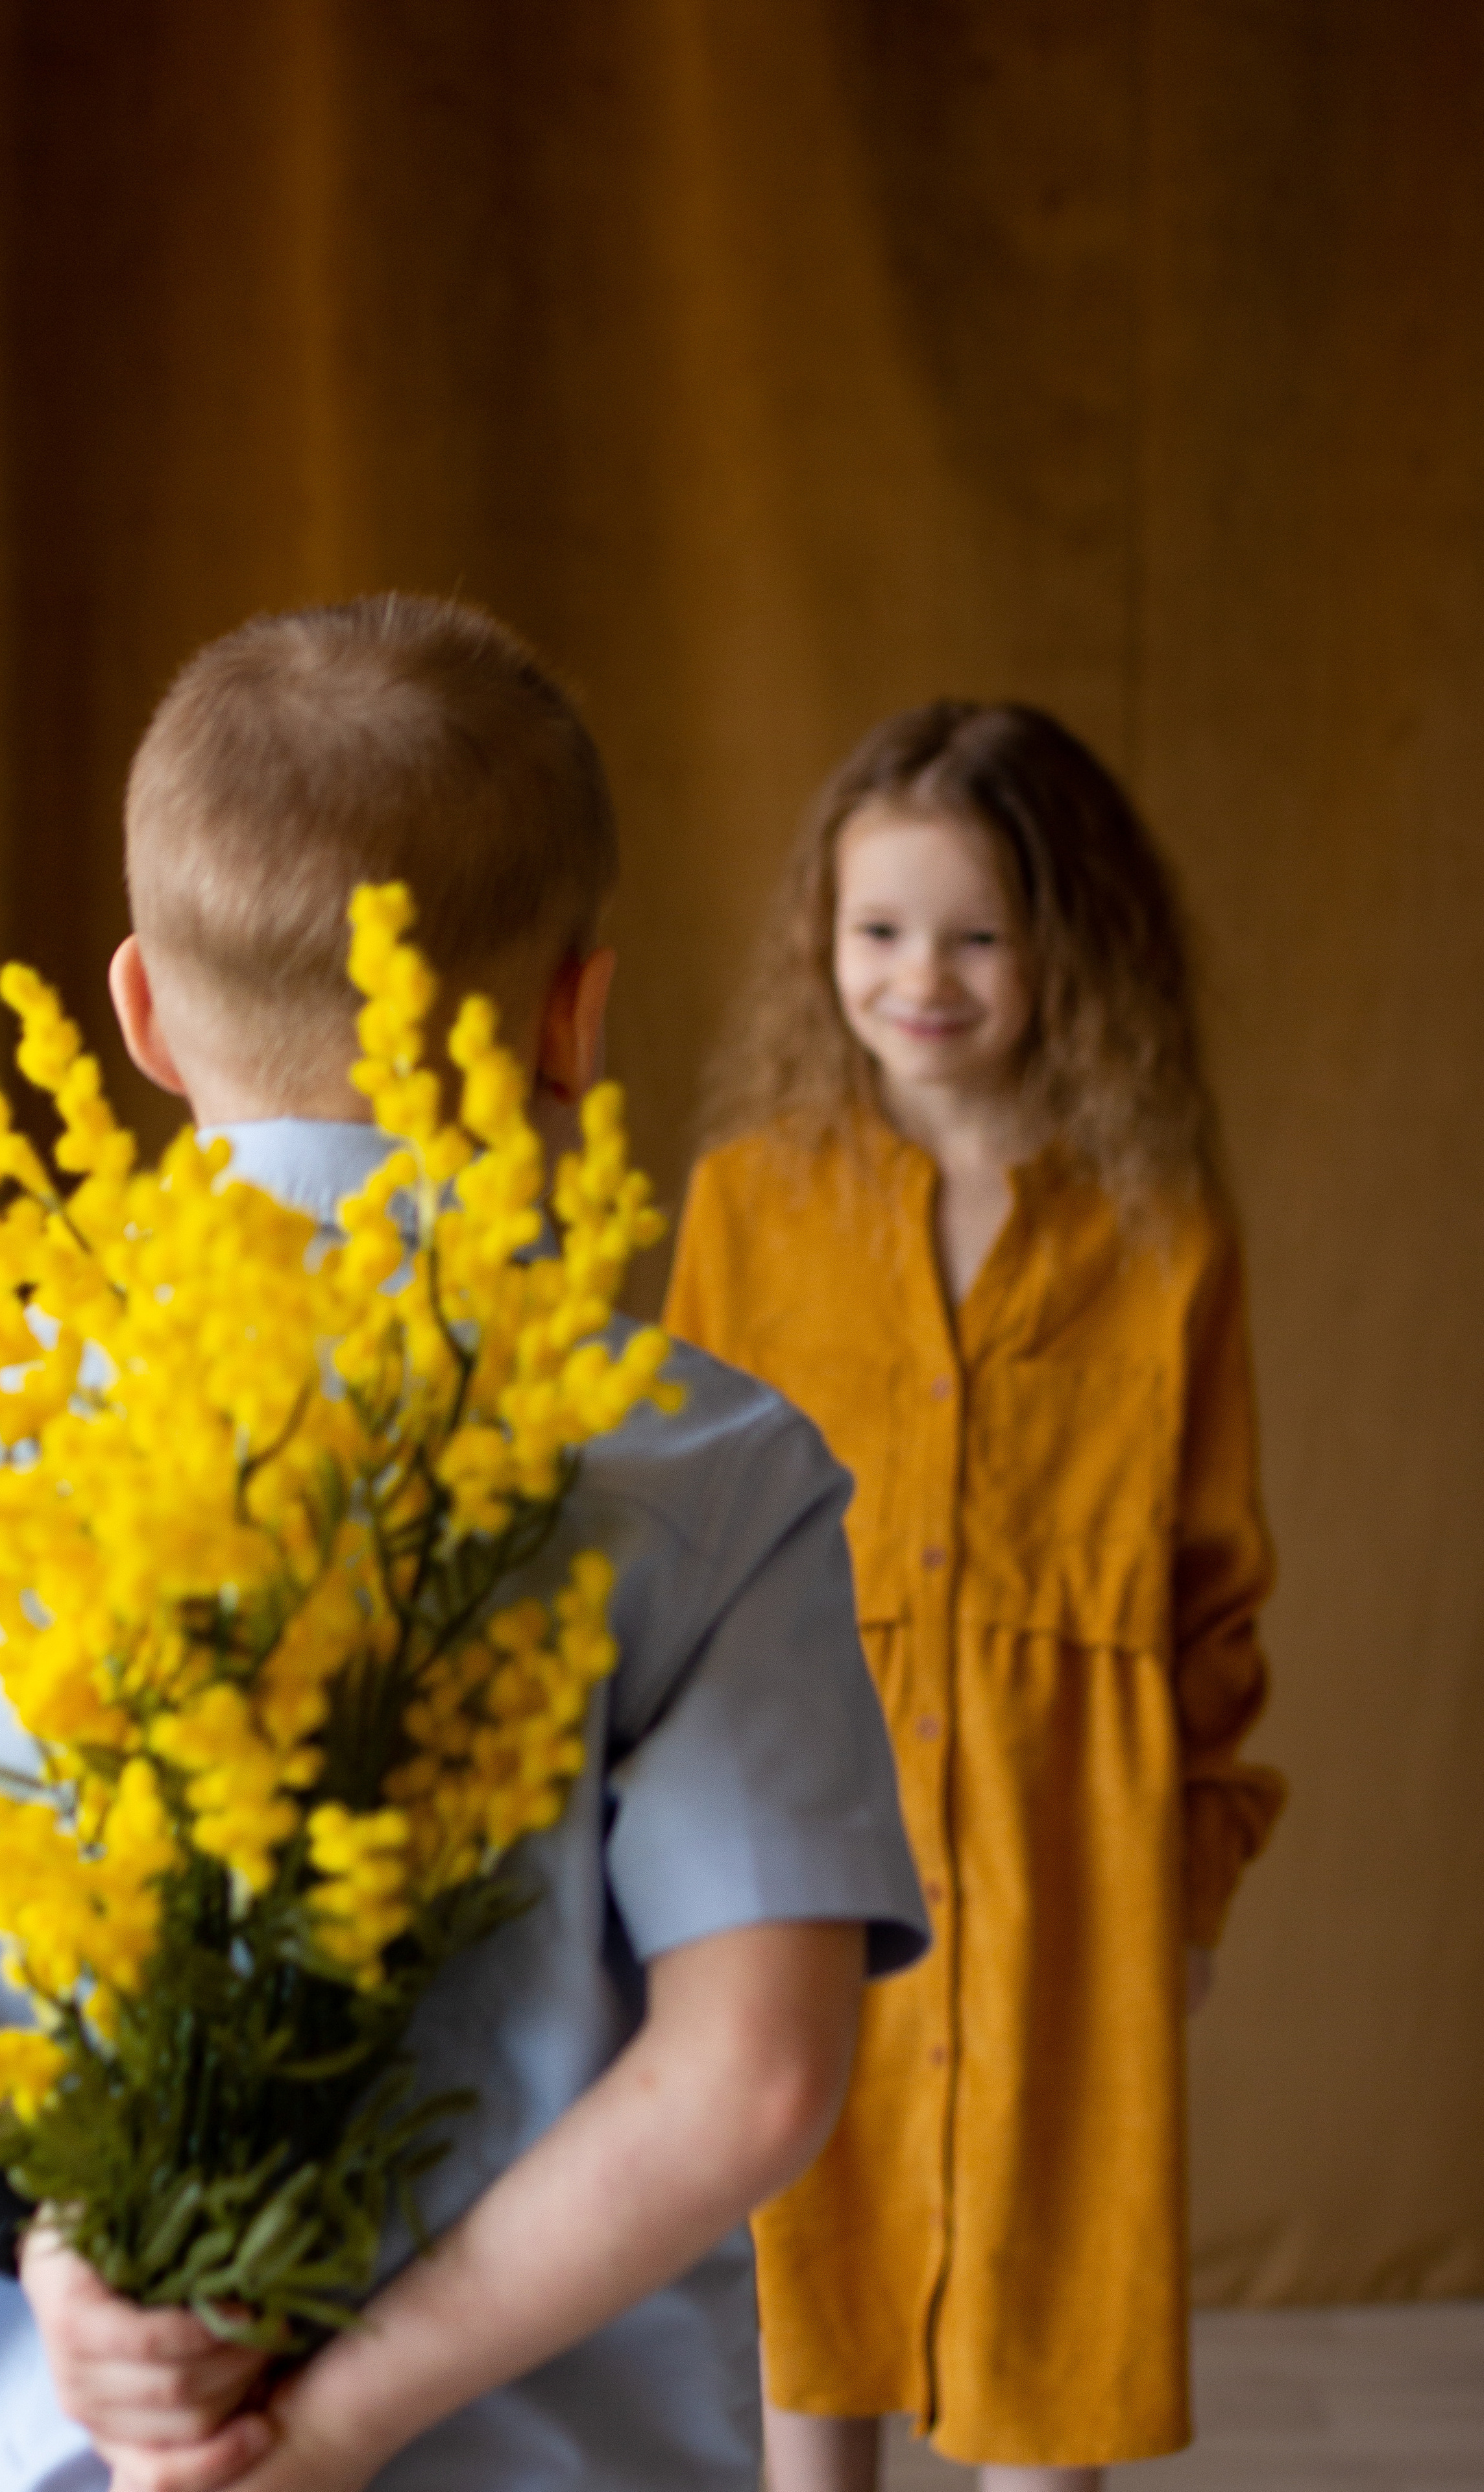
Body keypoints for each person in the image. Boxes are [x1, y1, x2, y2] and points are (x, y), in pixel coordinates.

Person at [0, 594, 929, 2492]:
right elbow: (756, 2072)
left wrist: (38, 2220)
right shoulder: (711, 1469)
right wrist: (336, 2423)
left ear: (144, 1018)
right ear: (580, 1016)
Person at [663, 702, 1287, 2492]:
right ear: (821, 941)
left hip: (1068, 1859)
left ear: (1064, 944)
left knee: (1053, 2315)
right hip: (805, 1840)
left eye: (975, 933)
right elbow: (679, 1550)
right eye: (876, 931)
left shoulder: (1165, 1236)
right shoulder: (749, 1206)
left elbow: (1216, 1590)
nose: (917, 977)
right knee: (810, 2266)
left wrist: (1192, 1885)